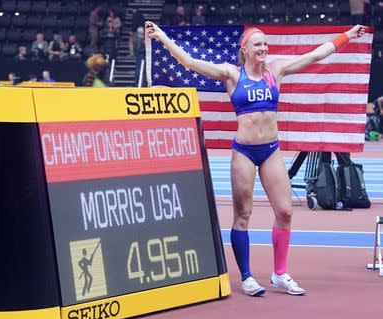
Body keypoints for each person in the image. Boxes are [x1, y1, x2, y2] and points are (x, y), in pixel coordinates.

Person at [146, 21, 366, 296]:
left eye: (265, 44)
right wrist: (161, 35)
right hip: (245, 152)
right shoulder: (231, 75)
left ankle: (280, 273)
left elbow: (315, 55)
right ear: (245, 49)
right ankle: (247, 276)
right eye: (258, 44)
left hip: (271, 149)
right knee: (243, 215)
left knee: (285, 211)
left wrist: (347, 36)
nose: (264, 48)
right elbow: (189, 61)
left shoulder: (276, 70)